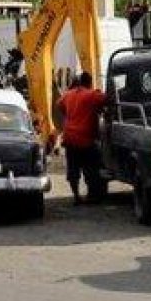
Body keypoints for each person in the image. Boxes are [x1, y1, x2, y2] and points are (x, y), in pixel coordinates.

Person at [56, 71, 107, 205]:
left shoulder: (68, 95)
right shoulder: (92, 94)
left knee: (73, 169)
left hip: (69, 137)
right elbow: (107, 99)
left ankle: (76, 196)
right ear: (90, 82)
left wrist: (69, 114)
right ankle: (92, 195)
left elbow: (59, 104)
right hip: (86, 138)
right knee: (92, 167)